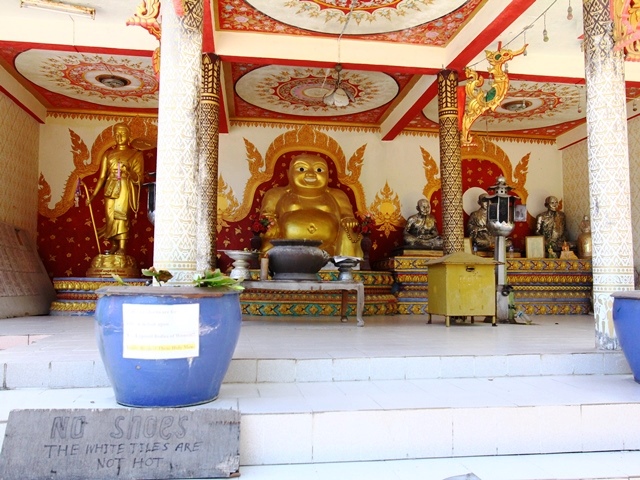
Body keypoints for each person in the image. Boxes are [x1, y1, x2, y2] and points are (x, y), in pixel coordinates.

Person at [259, 153, 362, 257]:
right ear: (288, 173)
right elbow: (266, 220)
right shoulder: (276, 194)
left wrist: (348, 220)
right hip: (287, 250)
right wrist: (272, 227)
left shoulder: (337, 195)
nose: (311, 174)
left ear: (328, 175)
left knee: (349, 232)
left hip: (331, 249)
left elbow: (347, 216)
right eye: (302, 169)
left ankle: (346, 263)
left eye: (319, 170)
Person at [87, 123, 144, 256]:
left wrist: (128, 172)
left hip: (125, 187)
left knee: (121, 215)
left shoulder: (136, 154)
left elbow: (139, 178)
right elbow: (102, 177)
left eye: (122, 134)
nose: (119, 137)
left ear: (129, 136)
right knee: (110, 216)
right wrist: (93, 195)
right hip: (110, 187)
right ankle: (114, 245)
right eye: (116, 134)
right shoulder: (108, 154)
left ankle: (122, 247)